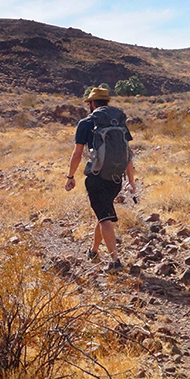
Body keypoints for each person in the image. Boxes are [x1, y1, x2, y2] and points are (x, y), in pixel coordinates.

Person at [64, 87, 136, 273]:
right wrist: (131, 180)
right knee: (102, 212)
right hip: (115, 178)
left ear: (92, 103)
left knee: (104, 218)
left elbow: (78, 153)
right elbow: (127, 153)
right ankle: (94, 250)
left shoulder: (87, 123)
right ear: (107, 102)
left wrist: (70, 176)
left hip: (97, 178)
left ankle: (115, 261)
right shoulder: (119, 121)